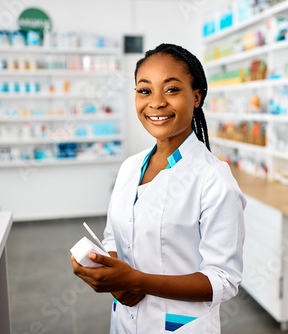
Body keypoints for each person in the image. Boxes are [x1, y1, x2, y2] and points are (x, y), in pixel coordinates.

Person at [72, 43, 246, 333]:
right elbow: (114, 240)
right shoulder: (130, 167)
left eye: (172, 89)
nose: (155, 103)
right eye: (144, 90)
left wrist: (136, 281)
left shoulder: (214, 179)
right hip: (124, 320)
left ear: (197, 96)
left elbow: (223, 280)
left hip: (179, 325)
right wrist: (107, 274)